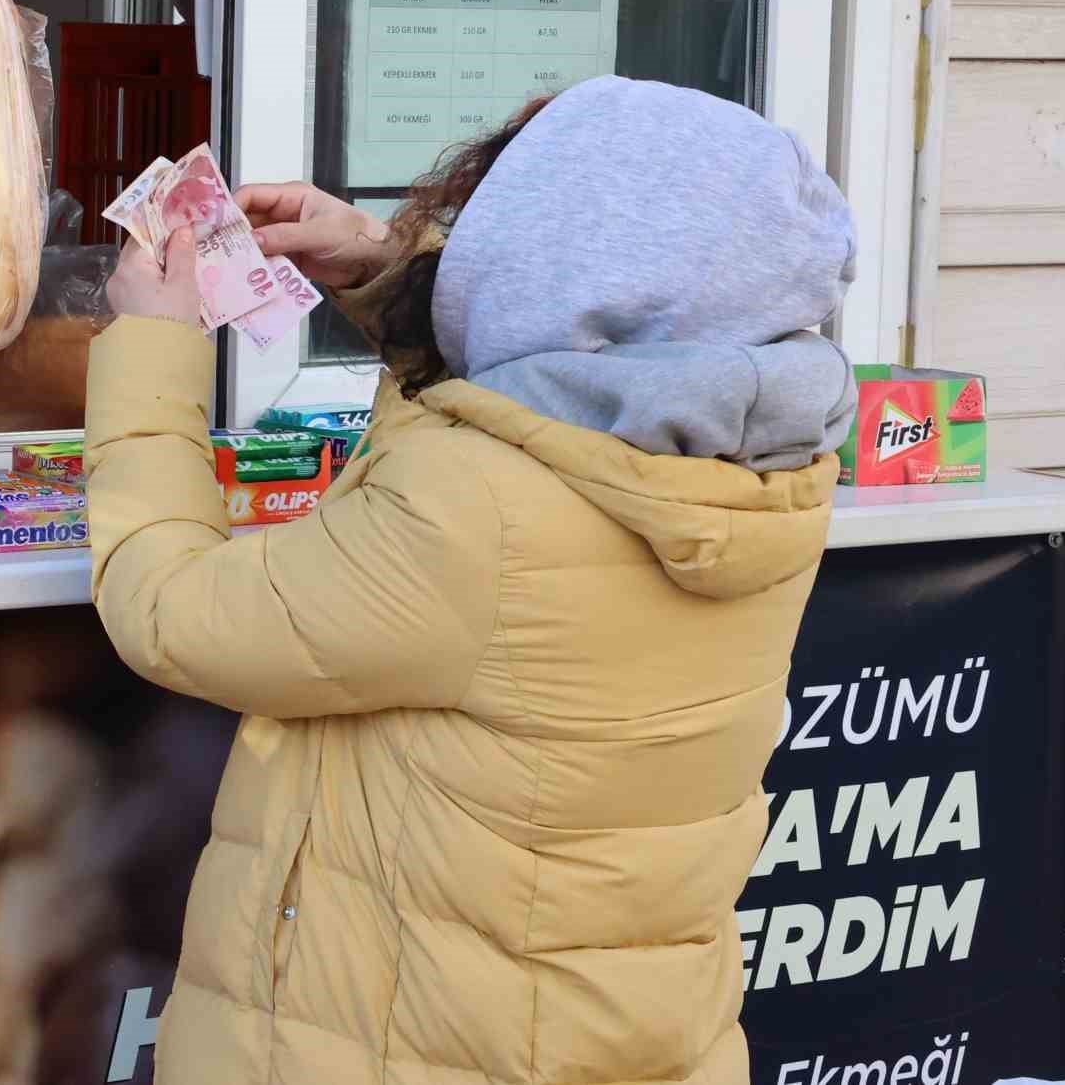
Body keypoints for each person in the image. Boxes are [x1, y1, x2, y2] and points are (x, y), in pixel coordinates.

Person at [87, 75, 858, 1085]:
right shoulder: (754, 461)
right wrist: (383, 266)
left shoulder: (474, 507)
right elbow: (558, 377)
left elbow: (171, 611)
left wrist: (154, 343)